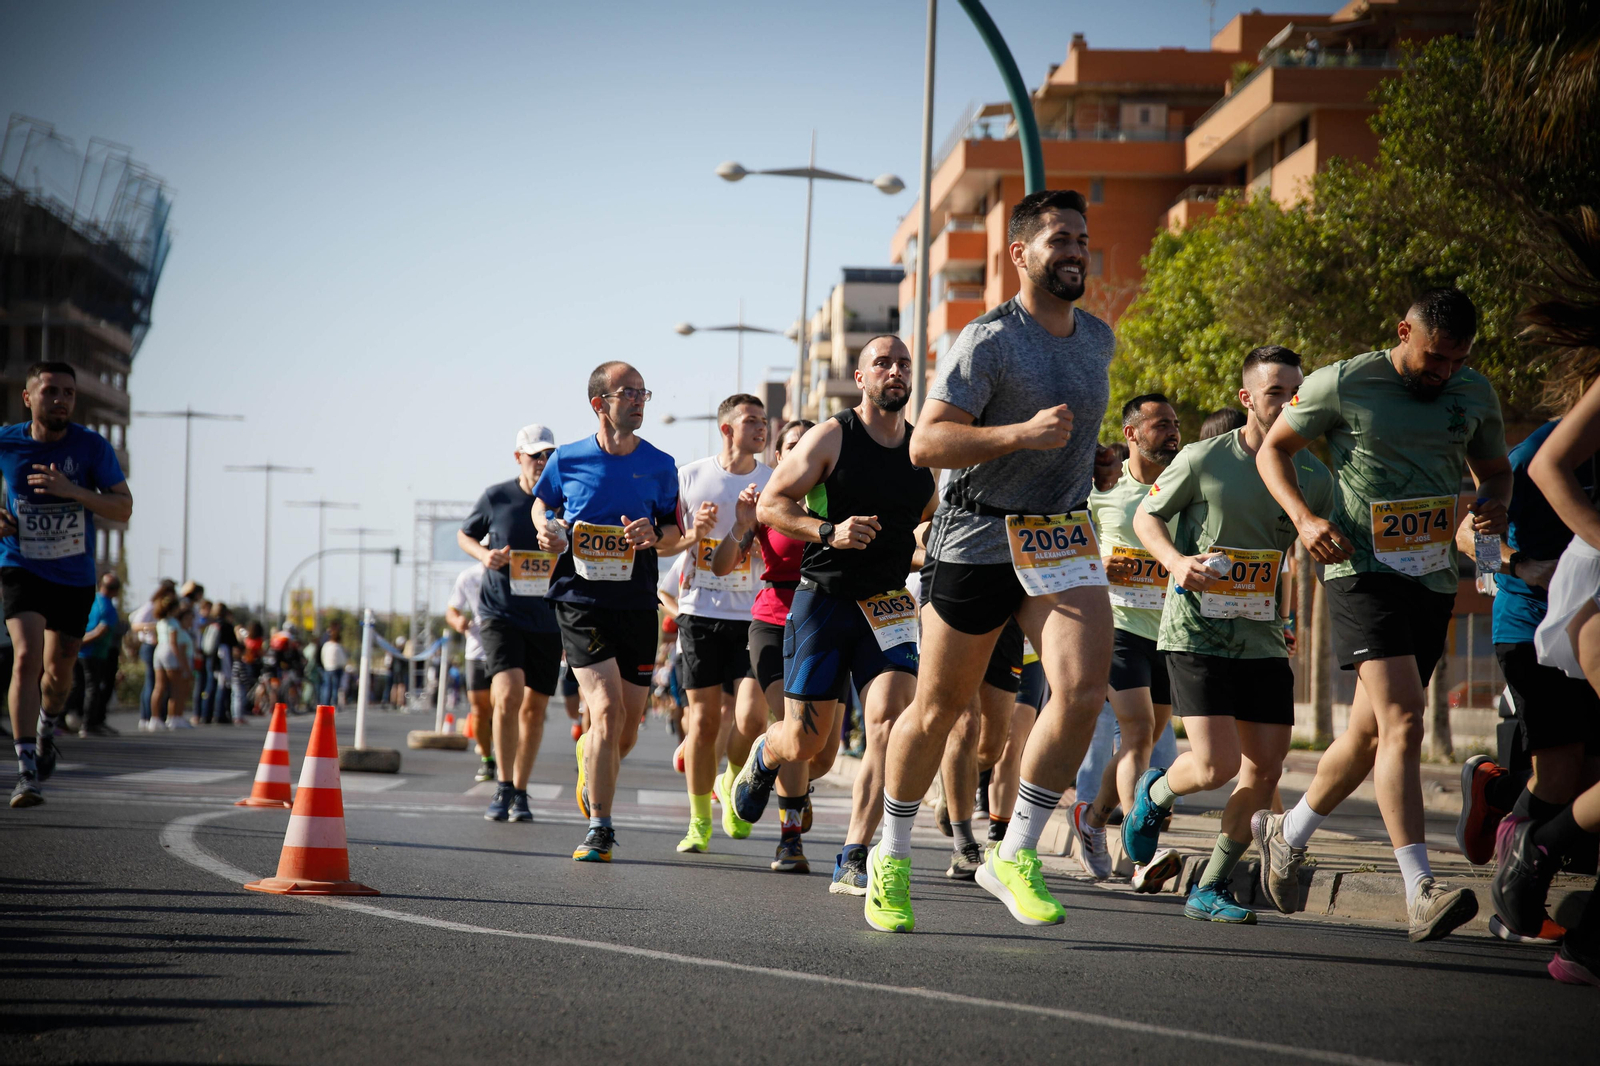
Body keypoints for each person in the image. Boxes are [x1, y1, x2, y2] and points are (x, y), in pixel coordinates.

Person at [870, 190, 1117, 933]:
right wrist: (1019, 436)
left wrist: (1094, 460)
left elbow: (1065, 440)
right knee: (940, 710)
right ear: (1020, 255)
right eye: (1057, 240)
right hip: (975, 540)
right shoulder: (989, 340)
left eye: (1080, 238)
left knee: (1080, 689)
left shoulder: (1099, 337)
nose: (1074, 251)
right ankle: (891, 854)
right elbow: (927, 445)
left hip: (1061, 536)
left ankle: (1014, 852)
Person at [1254, 289, 1510, 942]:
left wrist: (1490, 510)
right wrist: (1306, 520)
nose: (1444, 372)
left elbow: (1494, 473)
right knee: (1404, 720)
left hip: (1428, 576)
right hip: (1357, 570)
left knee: (1369, 737)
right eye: (1434, 357)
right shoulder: (1344, 381)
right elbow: (1272, 452)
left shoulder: (1473, 393)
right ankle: (1419, 889)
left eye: (1457, 360)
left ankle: (1290, 835)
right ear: (1404, 332)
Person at [1129, 345, 1333, 924]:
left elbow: (1309, 547)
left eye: (1298, 392)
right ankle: (1156, 793)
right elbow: (1147, 518)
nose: (1291, 403)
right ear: (1247, 398)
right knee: (1216, 764)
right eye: (1276, 393)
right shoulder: (1202, 458)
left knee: (1266, 769)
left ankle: (1211, 885)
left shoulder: (1313, 474)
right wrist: (1174, 562)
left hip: (1263, 638)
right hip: (1197, 631)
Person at [729, 336, 938, 896]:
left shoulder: (921, 455)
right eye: (883, 363)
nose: (895, 371)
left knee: (889, 730)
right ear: (861, 376)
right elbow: (773, 503)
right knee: (805, 742)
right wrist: (829, 532)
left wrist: (936, 553)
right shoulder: (832, 436)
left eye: (903, 365)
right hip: (823, 599)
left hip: (887, 606)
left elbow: (917, 530)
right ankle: (766, 752)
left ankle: (853, 855)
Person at [533, 362, 687, 862]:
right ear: (599, 404)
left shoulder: (662, 464)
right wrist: (548, 528)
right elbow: (542, 505)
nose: (640, 401)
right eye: (628, 393)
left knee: (626, 727)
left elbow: (672, 533)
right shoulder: (568, 460)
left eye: (644, 392)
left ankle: (591, 756)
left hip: (636, 603)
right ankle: (600, 826)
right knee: (605, 709)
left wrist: (653, 536)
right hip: (581, 602)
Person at [1, 362, 132, 806]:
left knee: (59, 674)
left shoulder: (91, 448)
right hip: (21, 565)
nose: (60, 400)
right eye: (51, 391)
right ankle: (25, 770)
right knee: (27, 657)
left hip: (73, 575)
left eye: (69, 393)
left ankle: (45, 731)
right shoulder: (7, 442)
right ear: (28, 397)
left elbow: (123, 508)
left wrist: (73, 490)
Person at [1075, 393, 1185, 892]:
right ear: (1132, 434)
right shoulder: (1102, 492)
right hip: (1116, 629)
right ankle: (1140, 854)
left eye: (1175, 424)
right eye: (1160, 424)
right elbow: (1069, 551)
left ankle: (1093, 817)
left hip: (1168, 630)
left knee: (1145, 740)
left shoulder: (1184, 485)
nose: (1172, 432)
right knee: (1138, 734)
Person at [660, 394, 772, 856]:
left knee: (749, 717)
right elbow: (665, 547)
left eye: (764, 422)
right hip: (701, 611)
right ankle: (698, 821)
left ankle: (732, 779)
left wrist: (752, 540)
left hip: (755, 614)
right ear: (726, 429)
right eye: (751, 421)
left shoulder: (774, 480)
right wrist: (695, 534)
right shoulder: (689, 477)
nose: (761, 429)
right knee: (704, 724)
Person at [460, 425, 564, 822]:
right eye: (535, 455)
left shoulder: (563, 498)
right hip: (500, 612)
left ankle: (521, 789)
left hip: (547, 616)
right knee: (507, 694)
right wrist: (484, 557)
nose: (542, 462)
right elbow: (465, 534)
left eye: (548, 455)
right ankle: (502, 785)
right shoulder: (497, 496)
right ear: (518, 457)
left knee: (535, 708)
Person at [445, 560, 496, 784]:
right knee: (479, 710)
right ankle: (487, 758)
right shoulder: (469, 576)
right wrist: (458, 621)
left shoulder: (518, 568)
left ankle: (506, 759)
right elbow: (452, 609)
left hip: (507, 651)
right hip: (476, 651)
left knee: (503, 708)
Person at [73, 572, 121, 737]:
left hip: (80, 651)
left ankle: (74, 720)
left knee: (78, 686)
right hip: (94, 652)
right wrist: (82, 641)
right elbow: (101, 630)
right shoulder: (107, 606)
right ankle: (89, 724)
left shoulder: (91, 600)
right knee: (93, 688)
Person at [319, 623, 348, 707]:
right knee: (335, 687)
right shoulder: (337, 646)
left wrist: (325, 664)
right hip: (336, 668)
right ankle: (334, 703)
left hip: (327, 668)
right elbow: (342, 659)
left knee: (327, 686)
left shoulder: (326, 645)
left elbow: (323, 656)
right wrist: (343, 665)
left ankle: (325, 703)